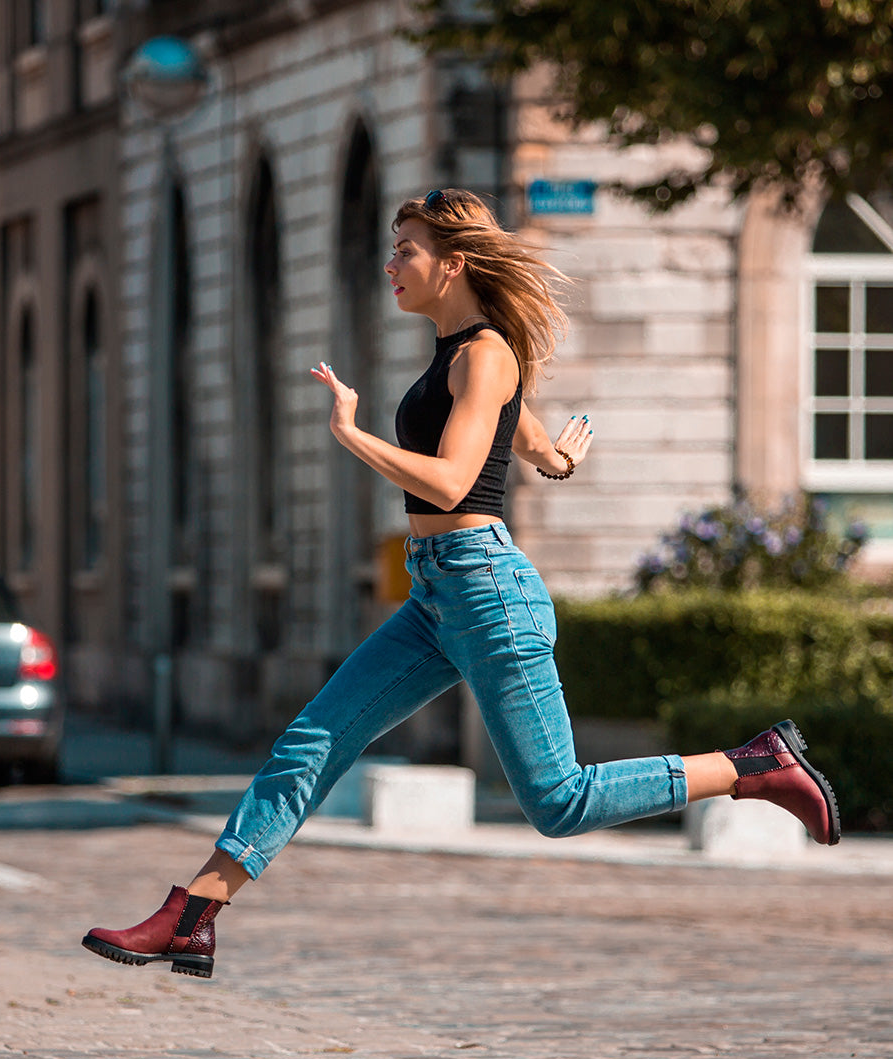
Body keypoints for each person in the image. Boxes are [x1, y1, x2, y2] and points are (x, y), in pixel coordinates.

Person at [83, 189, 841, 979]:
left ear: (454, 263)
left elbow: (449, 483)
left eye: (405, 248)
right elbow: (525, 435)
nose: (391, 264)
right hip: (437, 597)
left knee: (560, 802)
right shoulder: (466, 355)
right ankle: (193, 914)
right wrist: (555, 457)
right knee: (314, 740)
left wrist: (352, 435)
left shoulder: (485, 353)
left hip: (486, 592)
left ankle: (754, 765)